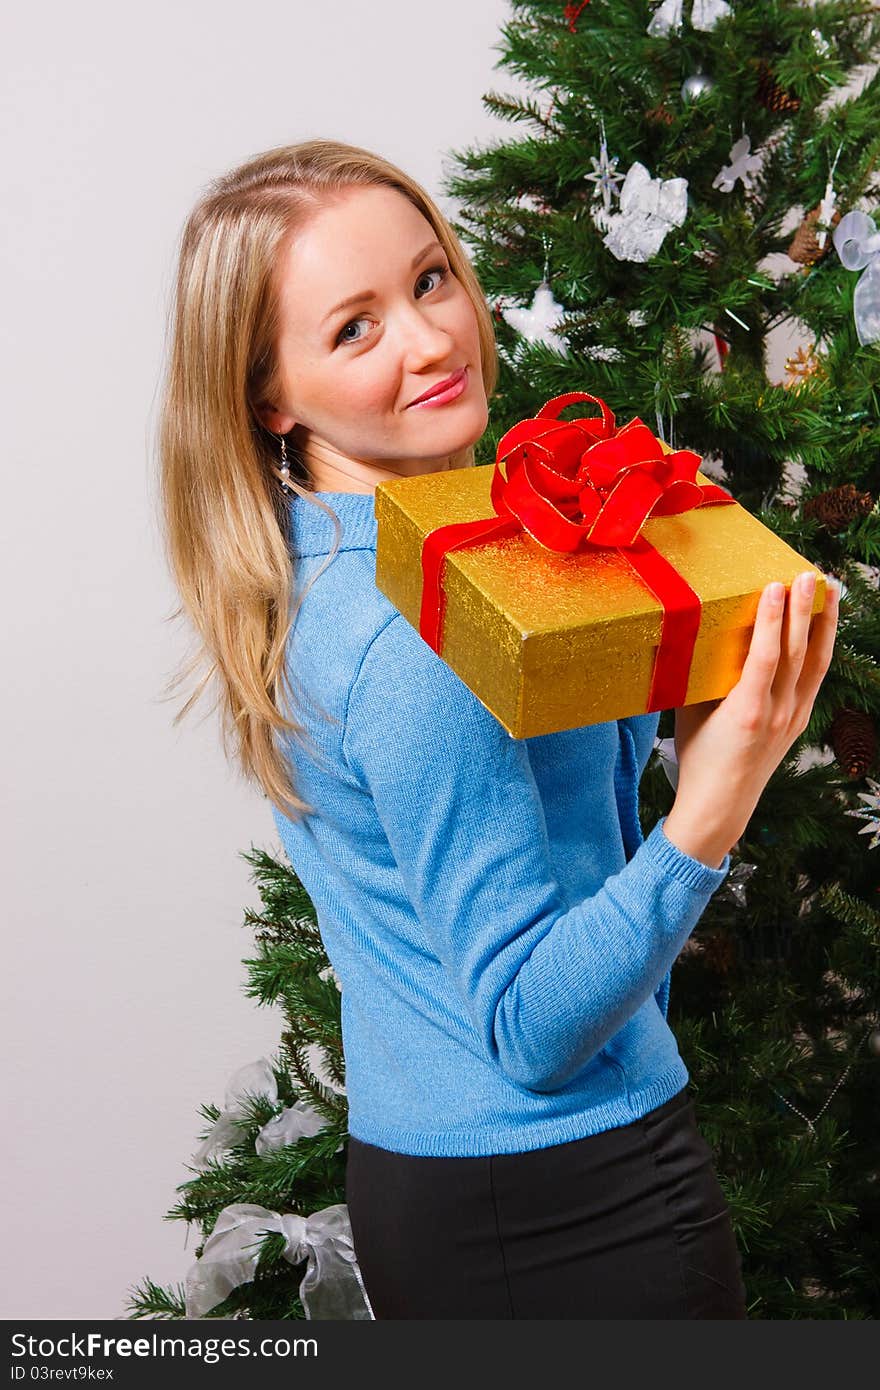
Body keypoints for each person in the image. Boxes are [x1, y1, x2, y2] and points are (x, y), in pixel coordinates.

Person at [158, 138, 840, 1319]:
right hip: (571, 1202)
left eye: (428, 280)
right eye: (353, 328)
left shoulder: (358, 553)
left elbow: (559, 835)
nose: (431, 340)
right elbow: (528, 1023)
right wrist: (716, 797)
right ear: (269, 393)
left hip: (444, 1181)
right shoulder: (417, 640)